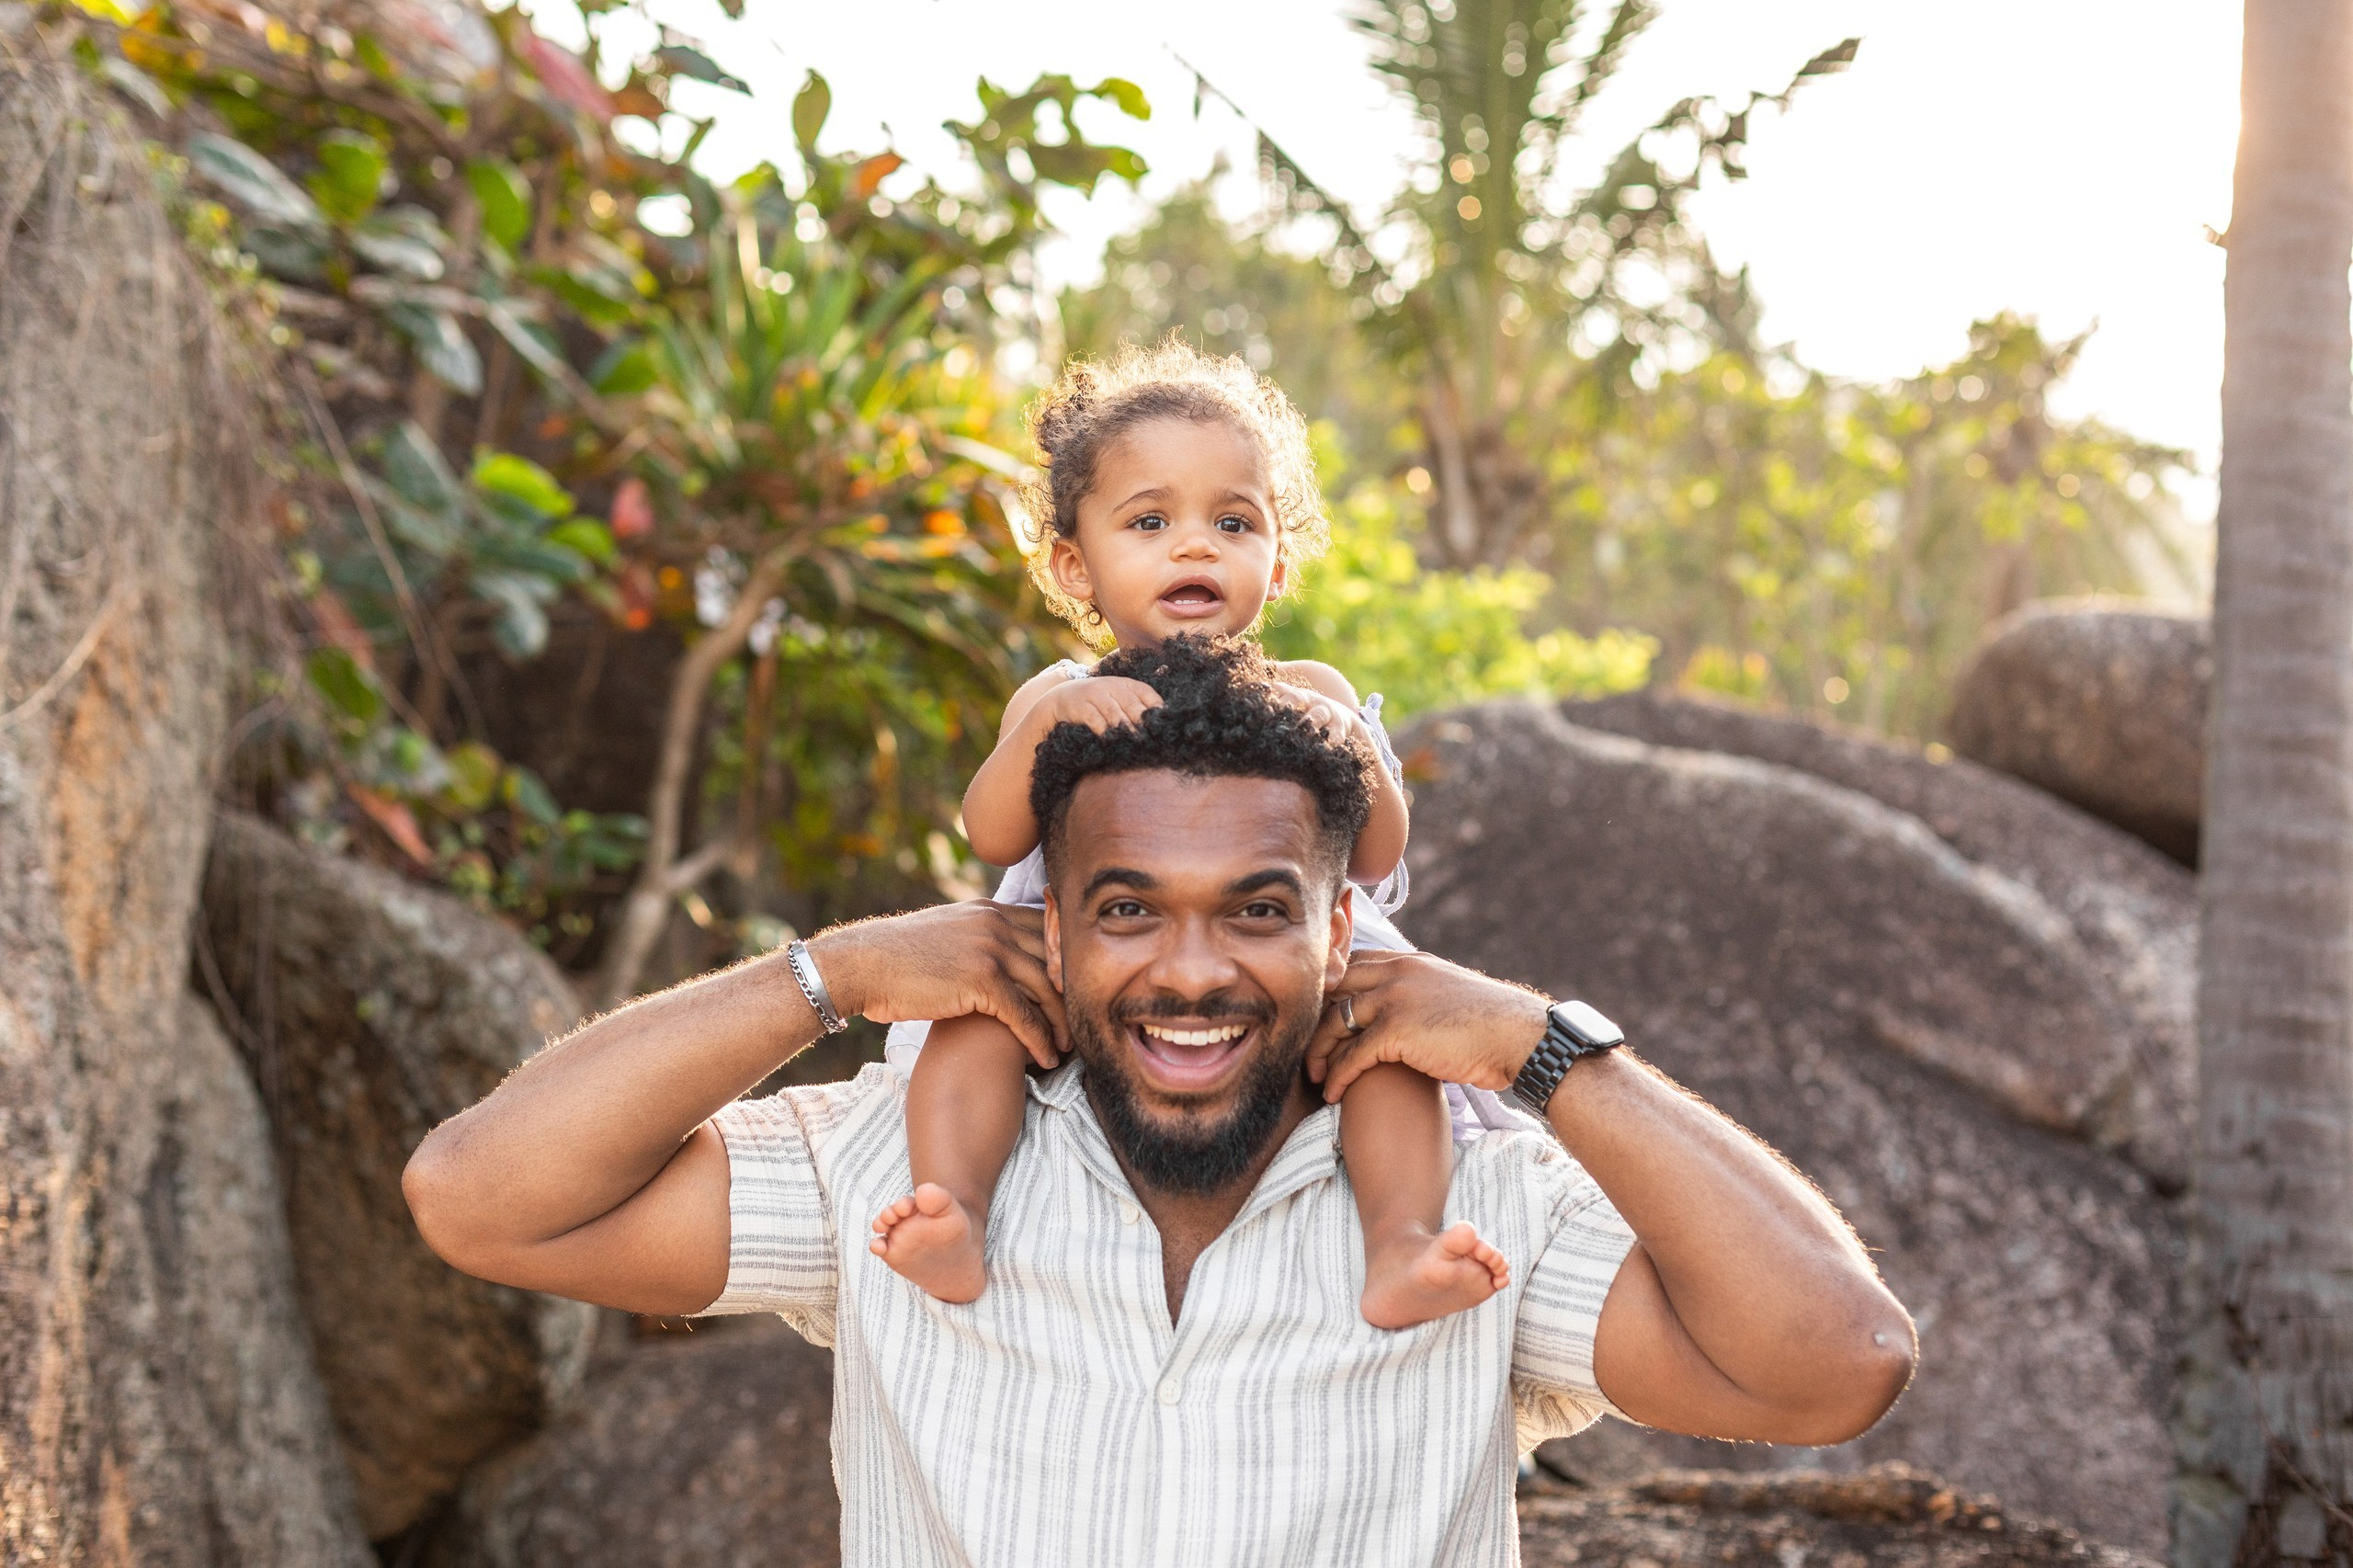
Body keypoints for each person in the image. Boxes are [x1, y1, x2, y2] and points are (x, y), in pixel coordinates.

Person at [402, 633, 1916, 1568]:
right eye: (1127, 911)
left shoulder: (1472, 1213)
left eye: (1256, 912)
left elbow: (1835, 1363)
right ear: (1044, 927)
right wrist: (836, 972)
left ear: (1342, 930)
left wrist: (1543, 1047)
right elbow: (478, 1197)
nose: (1191, 972)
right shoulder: (906, 1169)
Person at [878, 340, 1499, 1330]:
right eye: (1151, 520)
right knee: (975, 1022)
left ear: (1278, 559)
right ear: (1074, 564)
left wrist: (1353, 750)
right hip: (1072, 952)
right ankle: (954, 1201)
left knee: (1388, 1051)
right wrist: (1047, 727)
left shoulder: (1311, 692)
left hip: (1295, 963)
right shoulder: (1057, 694)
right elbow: (992, 832)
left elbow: (1377, 855)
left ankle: (1401, 1241)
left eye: (1232, 521)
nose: (1195, 545)